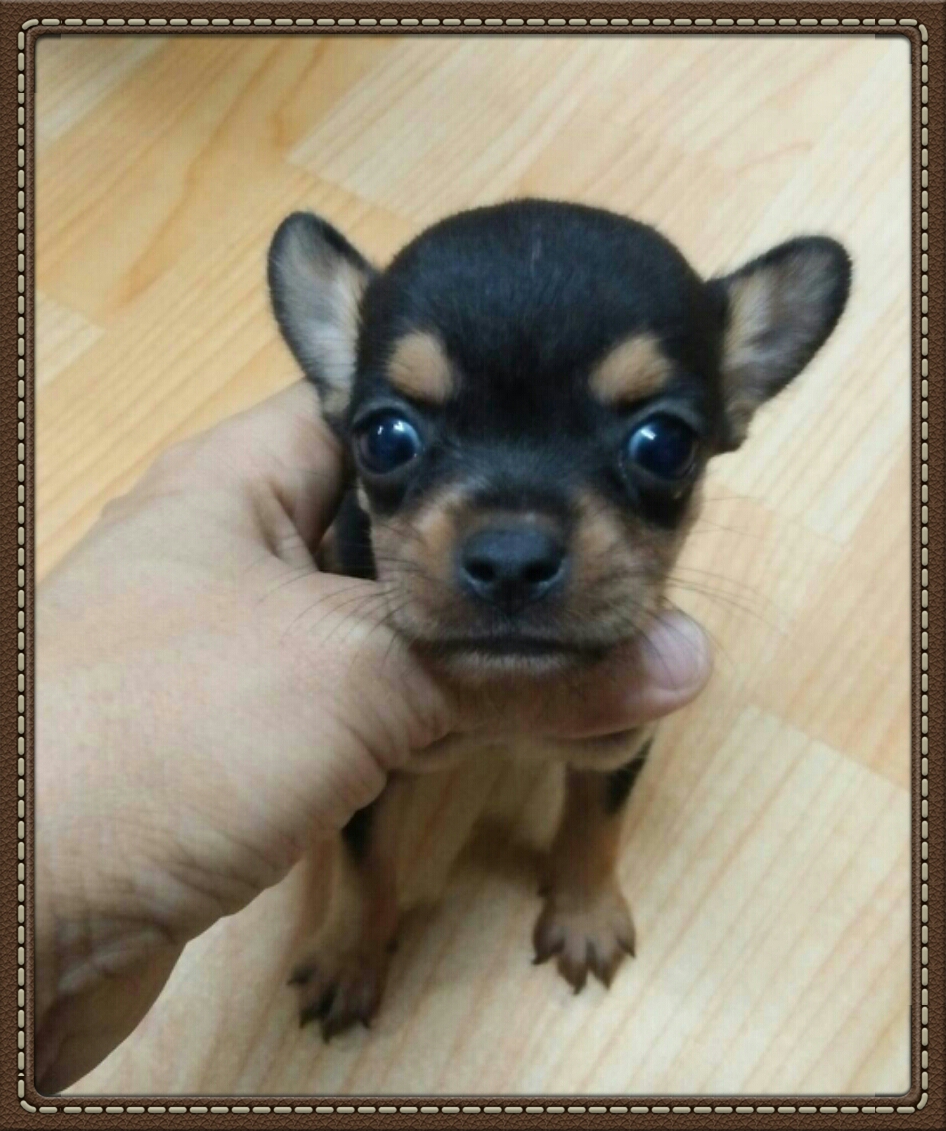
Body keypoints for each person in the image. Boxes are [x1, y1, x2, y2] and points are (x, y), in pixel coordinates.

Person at [34, 381, 712, 1094]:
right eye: (395, 440)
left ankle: (584, 873)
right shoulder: (351, 561)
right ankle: (360, 915)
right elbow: (352, 786)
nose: (514, 543)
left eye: (657, 447)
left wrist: (587, 885)